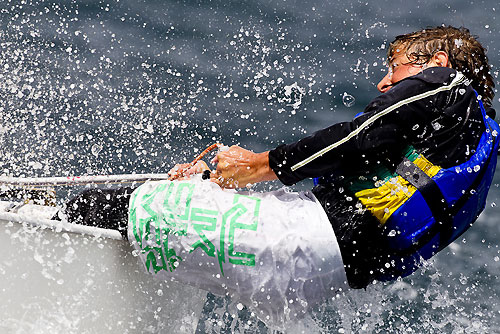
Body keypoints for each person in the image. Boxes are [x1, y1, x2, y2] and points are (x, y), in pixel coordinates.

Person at [63, 26, 499, 324]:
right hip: (317, 277)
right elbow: (371, 173)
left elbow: (359, 136)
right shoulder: (467, 140)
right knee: (172, 210)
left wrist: (256, 166)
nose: (386, 81)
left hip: (299, 241)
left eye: (396, 66)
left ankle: (40, 225)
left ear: (438, 61)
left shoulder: (448, 85)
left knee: (105, 205)